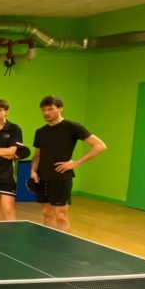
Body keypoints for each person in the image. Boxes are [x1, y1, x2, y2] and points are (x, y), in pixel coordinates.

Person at [31, 95, 107, 232]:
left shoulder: (72, 127)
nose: (46, 113)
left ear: (60, 108)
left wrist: (76, 163)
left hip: (61, 177)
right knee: (46, 213)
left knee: (61, 216)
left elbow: (100, 146)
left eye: (50, 109)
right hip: (42, 178)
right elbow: (37, 154)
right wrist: (33, 171)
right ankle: (49, 240)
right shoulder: (41, 131)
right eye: (44, 110)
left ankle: (63, 243)